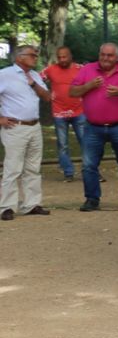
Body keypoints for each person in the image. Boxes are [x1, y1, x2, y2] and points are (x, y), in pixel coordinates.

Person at [70, 43, 118, 211]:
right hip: (92, 127)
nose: (105, 58)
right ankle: (92, 199)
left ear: (117, 57)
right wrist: (88, 86)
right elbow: (72, 92)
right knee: (89, 165)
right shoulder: (87, 69)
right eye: (103, 54)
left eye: (109, 55)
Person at [0, 45, 51, 220]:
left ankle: (32, 204)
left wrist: (33, 84)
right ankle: (7, 207)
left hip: (34, 127)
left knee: (33, 168)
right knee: (13, 168)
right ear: (19, 57)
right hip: (15, 128)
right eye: (32, 55)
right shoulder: (5, 75)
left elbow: (47, 96)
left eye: (36, 55)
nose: (35, 57)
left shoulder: (35, 75)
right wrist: (0, 119)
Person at [42, 45, 85, 180]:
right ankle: (68, 172)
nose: (62, 60)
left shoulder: (80, 69)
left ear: (70, 56)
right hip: (59, 112)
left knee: (85, 142)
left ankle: (90, 170)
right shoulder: (51, 70)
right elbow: (36, 79)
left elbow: (92, 82)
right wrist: (46, 92)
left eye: (64, 56)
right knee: (62, 144)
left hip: (79, 111)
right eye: (59, 57)